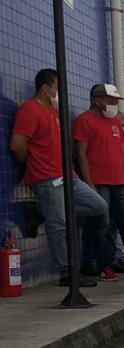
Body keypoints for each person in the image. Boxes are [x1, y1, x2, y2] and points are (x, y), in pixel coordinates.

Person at [9, 68, 106, 287]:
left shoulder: (53, 110)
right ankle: (67, 273)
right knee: (59, 224)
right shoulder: (29, 110)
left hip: (67, 176)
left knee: (98, 205)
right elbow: (17, 145)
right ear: (45, 88)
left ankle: (41, 210)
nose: (58, 92)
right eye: (56, 88)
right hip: (45, 177)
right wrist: (36, 161)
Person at [72, 83, 124, 281]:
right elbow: (80, 154)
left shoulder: (116, 123)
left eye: (116, 101)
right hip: (98, 183)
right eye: (111, 101)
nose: (114, 105)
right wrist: (89, 182)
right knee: (101, 225)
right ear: (96, 100)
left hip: (120, 183)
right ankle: (104, 266)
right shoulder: (83, 120)